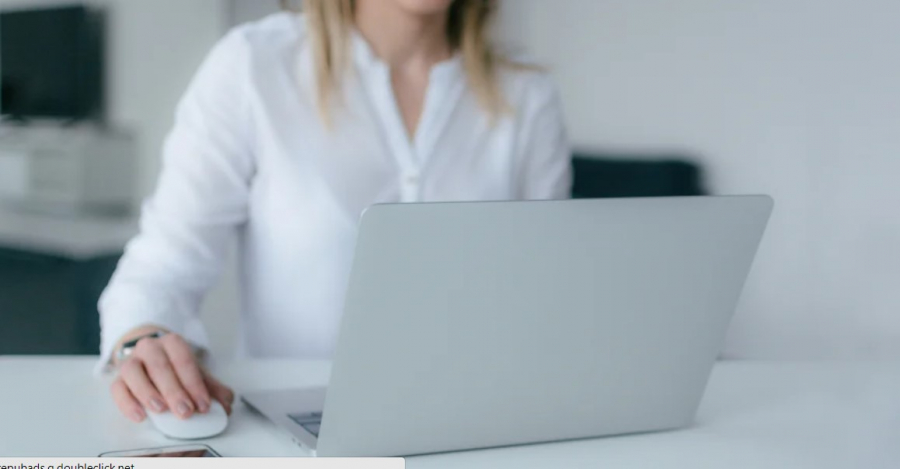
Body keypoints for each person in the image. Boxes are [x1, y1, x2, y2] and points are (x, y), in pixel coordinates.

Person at [100, 0, 571, 424]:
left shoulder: (527, 93)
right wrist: (142, 340)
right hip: (294, 429)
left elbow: (548, 296)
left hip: (477, 422)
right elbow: (163, 268)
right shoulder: (254, 65)